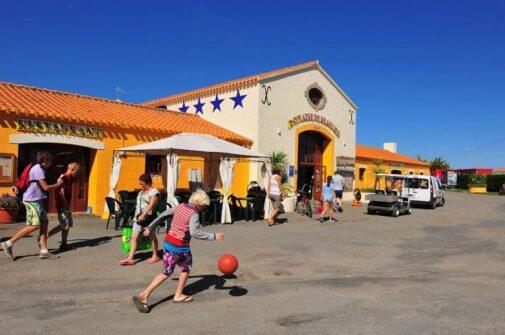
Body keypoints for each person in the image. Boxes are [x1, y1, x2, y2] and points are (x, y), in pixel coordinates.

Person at [132, 189, 224, 313]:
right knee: (186, 267)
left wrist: (150, 226)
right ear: (198, 203)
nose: (205, 207)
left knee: (166, 272)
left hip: (168, 243)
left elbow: (163, 215)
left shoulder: (180, 206)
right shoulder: (194, 213)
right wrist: (213, 236)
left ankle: (145, 294)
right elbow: (194, 232)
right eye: (204, 205)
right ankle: (177, 295)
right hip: (180, 247)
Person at [2, 151, 63, 260]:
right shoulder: (38, 169)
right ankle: (9, 243)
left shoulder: (39, 168)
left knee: (44, 223)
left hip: (37, 200)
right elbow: (45, 187)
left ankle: (44, 251)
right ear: (45, 160)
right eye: (50, 161)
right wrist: (58, 184)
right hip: (32, 201)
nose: (51, 163)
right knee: (35, 225)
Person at [119, 173, 160, 266]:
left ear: (148, 182)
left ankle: (155, 255)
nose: (141, 185)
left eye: (142, 183)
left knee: (152, 237)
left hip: (149, 218)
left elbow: (151, 204)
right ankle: (130, 258)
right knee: (134, 238)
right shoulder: (141, 192)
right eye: (140, 183)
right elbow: (138, 205)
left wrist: (144, 214)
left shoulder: (154, 192)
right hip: (138, 218)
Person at [47, 162, 80, 252]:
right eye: (76, 171)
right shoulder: (64, 177)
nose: (77, 173)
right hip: (62, 204)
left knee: (67, 225)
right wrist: (64, 203)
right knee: (64, 225)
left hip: (66, 204)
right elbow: (61, 191)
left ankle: (64, 244)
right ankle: (45, 236)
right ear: (72, 169)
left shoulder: (70, 178)